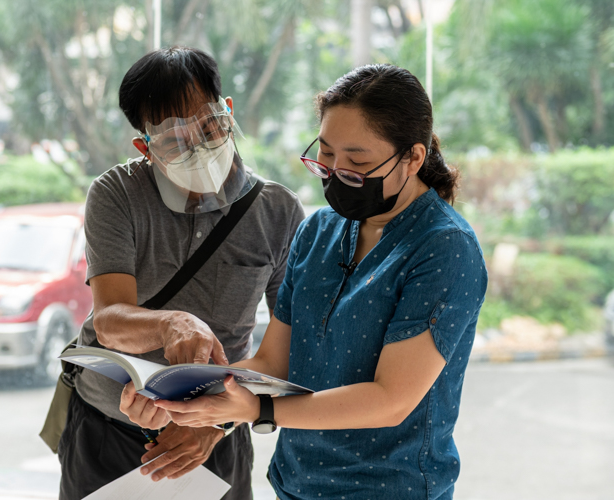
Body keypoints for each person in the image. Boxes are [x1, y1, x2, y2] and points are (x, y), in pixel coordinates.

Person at [122, 64, 488, 499]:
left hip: (391, 488)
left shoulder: (443, 247)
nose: (336, 172)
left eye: (358, 162)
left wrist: (257, 410)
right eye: (328, 154)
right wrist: (180, 392)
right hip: (297, 483)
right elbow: (273, 365)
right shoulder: (318, 231)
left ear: (413, 157)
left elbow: (392, 399)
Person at [57, 46, 305, 500]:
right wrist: (172, 322)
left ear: (227, 112)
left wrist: (216, 422)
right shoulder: (116, 194)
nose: (199, 146)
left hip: (216, 436)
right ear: (145, 147)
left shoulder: (278, 212)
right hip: (106, 430)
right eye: (174, 138)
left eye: (209, 125)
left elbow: (288, 348)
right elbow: (110, 318)